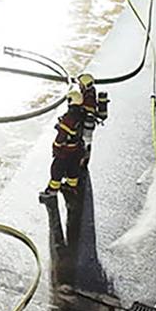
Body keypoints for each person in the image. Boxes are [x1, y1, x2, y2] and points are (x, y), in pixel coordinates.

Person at [40, 93, 90, 243]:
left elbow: (61, 137)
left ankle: (51, 192)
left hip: (65, 153)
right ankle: (70, 187)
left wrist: (56, 148)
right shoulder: (83, 115)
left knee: (56, 172)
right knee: (73, 172)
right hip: (76, 151)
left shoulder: (69, 118)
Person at [76, 73, 108, 142]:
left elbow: (86, 109)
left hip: (84, 123)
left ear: (85, 85)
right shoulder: (90, 92)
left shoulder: (88, 97)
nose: (79, 86)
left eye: (81, 84)